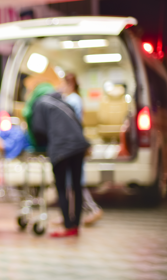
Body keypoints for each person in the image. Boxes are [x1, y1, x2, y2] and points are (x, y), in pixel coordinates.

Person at [23, 82, 90, 238]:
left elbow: (38, 129)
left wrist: (43, 144)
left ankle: (68, 226)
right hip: (79, 146)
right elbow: (78, 123)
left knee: (61, 188)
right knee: (76, 186)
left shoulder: (39, 103)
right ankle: (76, 226)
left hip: (60, 148)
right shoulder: (64, 101)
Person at [62, 73, 103, 225]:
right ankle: (68, 213)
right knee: (72, 182)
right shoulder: (77, 99)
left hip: (72, 145)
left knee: (74, 182)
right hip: (76, 143)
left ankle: (93, 209)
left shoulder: (71, 100)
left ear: (70, 84)